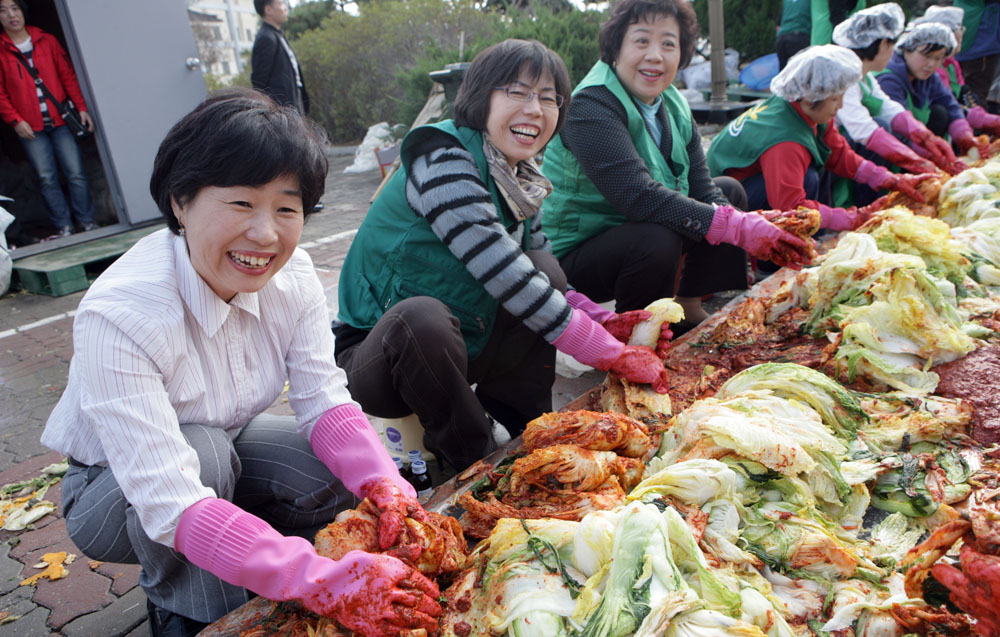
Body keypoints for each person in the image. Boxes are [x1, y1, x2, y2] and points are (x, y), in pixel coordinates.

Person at [42, 90, 441, 636]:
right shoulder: (122, 314)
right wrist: (318, 582)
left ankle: (250, 555)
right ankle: (186, 609)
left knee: (338, 470)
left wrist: (385, 482)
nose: (265, 234)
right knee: (201, 454)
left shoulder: (293, 276)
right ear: (180, 201)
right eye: (240, 204)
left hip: (227, 441)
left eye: (286, 207)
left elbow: (323, 399)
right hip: (111, 491)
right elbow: (172, 499)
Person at [335, 39, 671, 472]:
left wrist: (606, 322)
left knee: (546, 271)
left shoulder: (519, 178)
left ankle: (521, 428)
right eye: (517, 92)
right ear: (480, 98)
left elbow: (537, 276)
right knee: (420, 318)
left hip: (466, 331)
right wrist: (610, 353)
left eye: (549, 98)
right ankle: (470, 458)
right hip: (380, 355)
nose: (535, 109)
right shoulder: (443, 160)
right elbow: (502, 269)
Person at [542, 0, 814, 327]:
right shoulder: (591, 104)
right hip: (578, 255)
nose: (655, 55)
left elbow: (702, 186)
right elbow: (637, 196)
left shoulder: (672, 102)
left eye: (668, 44)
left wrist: (740, 222)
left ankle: (688, 303)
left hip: (635, 230)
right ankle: (637, 330)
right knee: (657, 237)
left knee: (729, 193)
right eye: (641, 41)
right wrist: (737, 228)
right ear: (616, 47)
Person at [707, 45, 929, 226]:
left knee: (813, 170)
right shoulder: (785, 140)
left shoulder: (802, 108)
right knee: (808, 178)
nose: (840, 106)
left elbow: (840, 156)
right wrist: (855, 217)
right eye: (834, 99)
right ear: (810, 97)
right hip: (726, 203)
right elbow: (791, 208)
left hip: (749, 183)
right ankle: (768, 264)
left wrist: (890, 179)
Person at [831, 3, 963, 201]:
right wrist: (914, 160)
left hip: (845, 152)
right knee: (882, 128)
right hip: (833, 156)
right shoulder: (846, 78)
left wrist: (926, 138)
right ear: (884, 43)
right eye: (892, 45)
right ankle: (865, 203)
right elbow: (863, 130)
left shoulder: (864, 76)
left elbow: (889, 108)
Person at [0, 0, 96, 238]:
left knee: (75, 172)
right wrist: (15, 120)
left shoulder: (46, 40)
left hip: (61, 119)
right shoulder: (1, 50)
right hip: (30, 126)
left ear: (23, 10)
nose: (11, 15)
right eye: (3, 10)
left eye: (14, 8)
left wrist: (81, 107)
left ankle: (87, 221)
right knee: (46, 178)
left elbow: (68, 76)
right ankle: (64, 226)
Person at [877, 22, 993, 157]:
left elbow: (951, 106)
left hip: (916, 141)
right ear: (907, 50)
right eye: (926, 56)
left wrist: (964, 134)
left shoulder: (930, 77)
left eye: (938, 58)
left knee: (940, 112)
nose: (931, 64)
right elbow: (898, 127)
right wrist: (927, 154)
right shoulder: (888, 80)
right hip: (890, 147)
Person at [914, 5, 1000, 134]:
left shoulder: (952, 63)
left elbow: (961, 92)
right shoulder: (931, 68)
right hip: (929, 119)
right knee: (940, 113)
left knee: (974, 98)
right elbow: (946, 100)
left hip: (953, 110)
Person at [251, 0, 309, 115]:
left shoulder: (276, 34)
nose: (286, 8)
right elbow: (259, 82)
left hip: (292, 102)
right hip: (282, 109)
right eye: (281, 4)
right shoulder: (266, 38)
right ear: (268, 10)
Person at [953, 0, 1000, 111]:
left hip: (966, 33)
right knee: (976, 93)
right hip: (980, 42)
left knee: (961, 92)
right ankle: (975, 126)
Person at [777, 0, 812, 69]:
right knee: (801, 73)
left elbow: (778, 22)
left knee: (783, 76)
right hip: (800, 37)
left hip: (782, 38)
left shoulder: (786, 1)